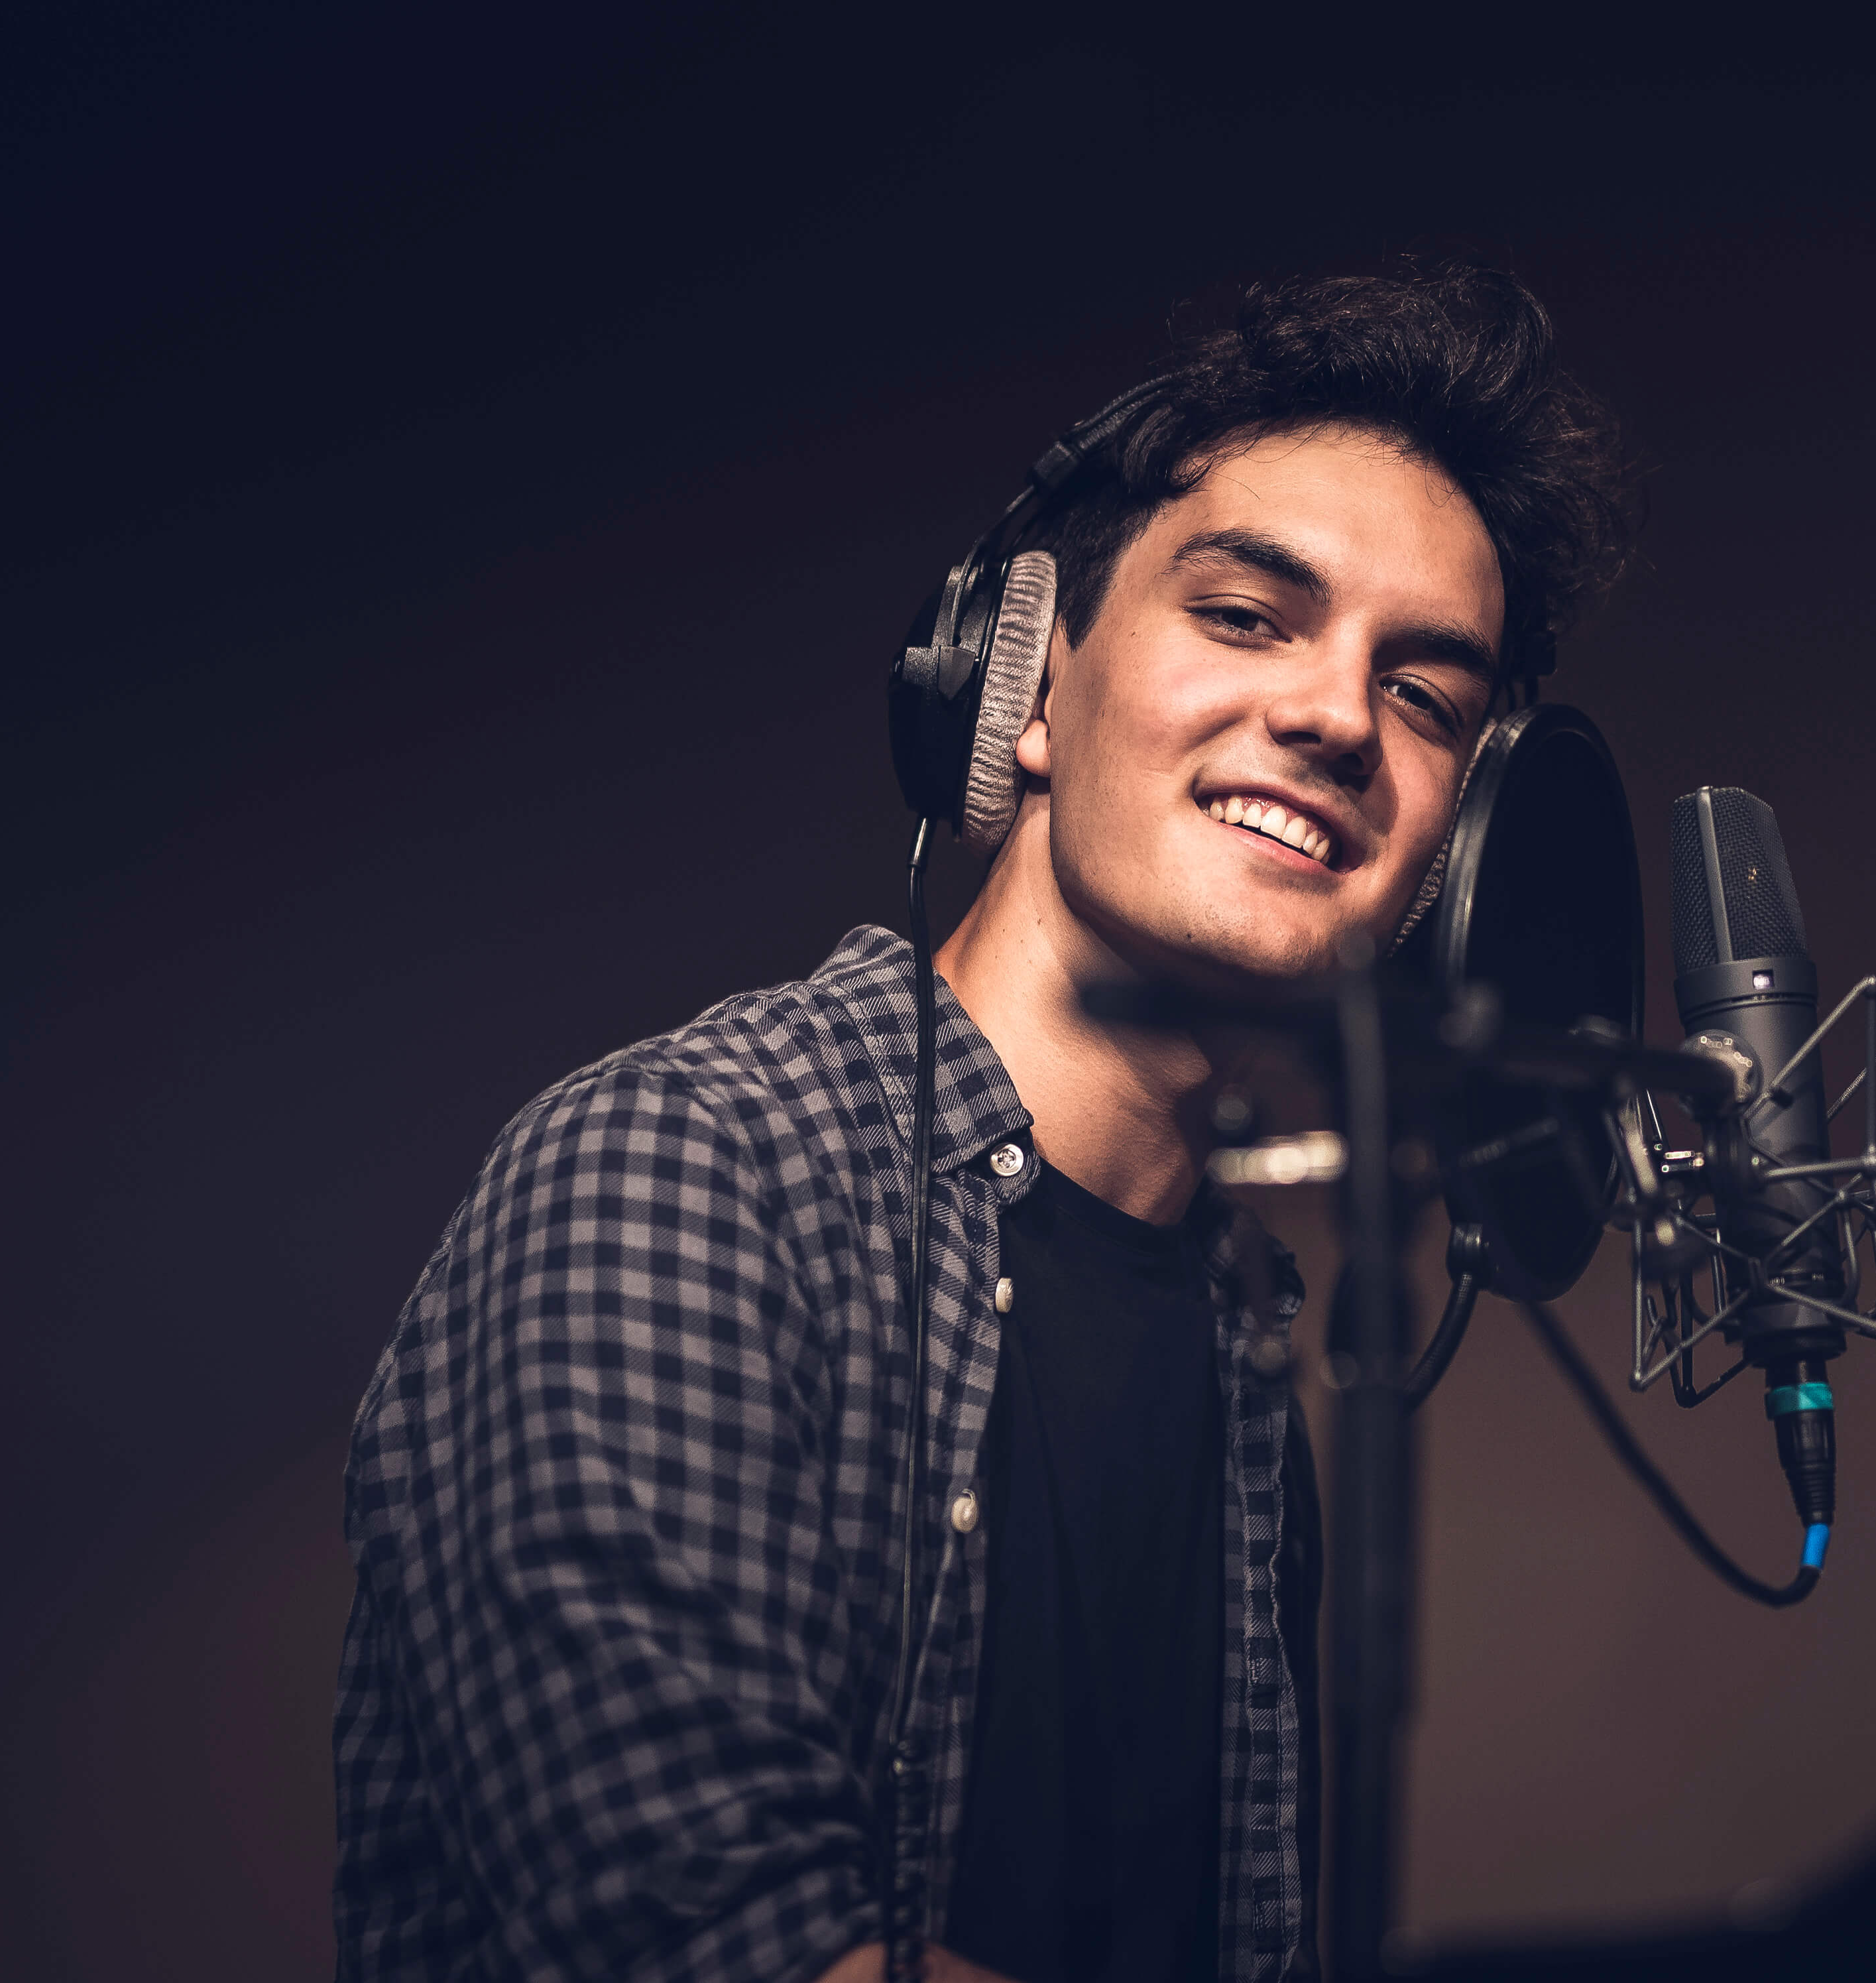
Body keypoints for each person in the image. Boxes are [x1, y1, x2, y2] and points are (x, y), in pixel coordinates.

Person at [334, 262, 1635, 1983]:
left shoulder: (1245, 1348)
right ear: (1022, 685)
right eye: (1247, 615)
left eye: (1425, 699)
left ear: (1441, 869)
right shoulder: (683, 1174)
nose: (1336, 717)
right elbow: (732, 1950)